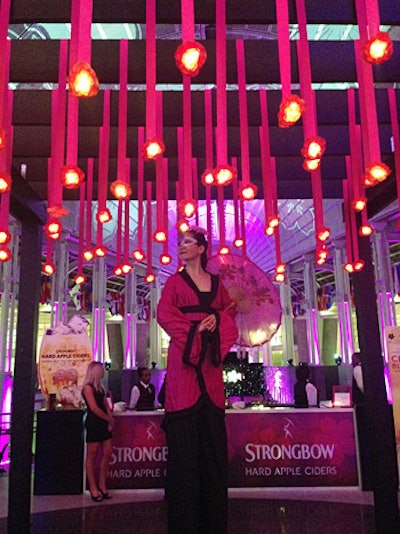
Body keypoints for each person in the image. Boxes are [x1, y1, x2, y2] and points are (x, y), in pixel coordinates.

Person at [157, 227, 238, 534]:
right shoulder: (174, 282)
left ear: (203, 248)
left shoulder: (218, 286)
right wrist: (194, 334)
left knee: (212, 450)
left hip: (212, 369)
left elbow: (231, 316)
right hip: (184, 366)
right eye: (181, 243)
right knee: (184, 453)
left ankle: (214, 523)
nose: (182, 247)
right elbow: (164, 314)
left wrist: (217, 319)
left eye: (188, 242)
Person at [81, 361, 114, 502]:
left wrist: (110, 418)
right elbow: (94, 408)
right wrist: (108, 419)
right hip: (94, 423)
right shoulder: (87, 388)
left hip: (103, 422)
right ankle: (93, 487)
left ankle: (102, 483)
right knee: (92, 455)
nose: (103, 372)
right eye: (100, 370)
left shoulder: (100, 387)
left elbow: (106, 404)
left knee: (107, 452)